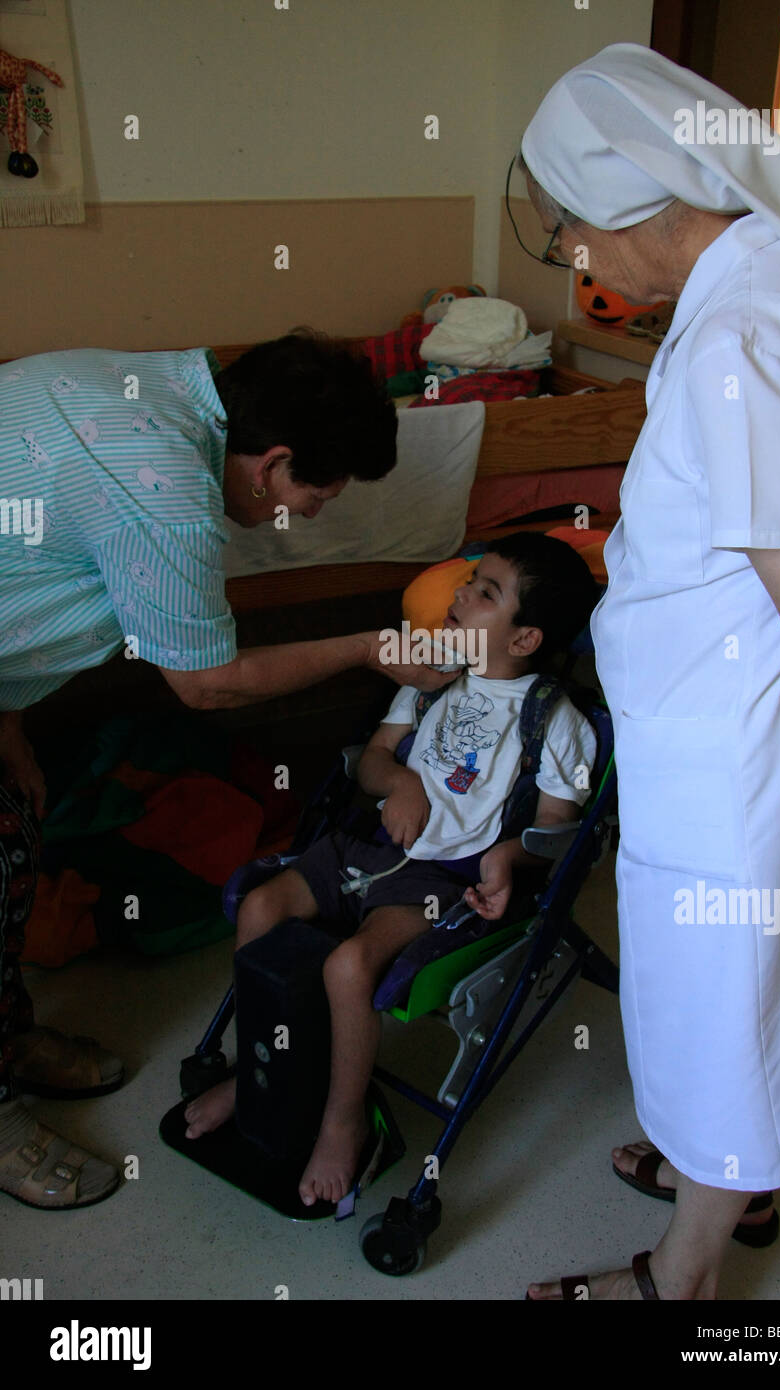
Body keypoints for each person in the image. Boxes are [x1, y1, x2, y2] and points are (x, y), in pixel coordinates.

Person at [513, 43, 780, 1301]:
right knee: (749, 983)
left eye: (572, 235)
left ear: (634, 204)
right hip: (721, 728)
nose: (578, 263)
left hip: (738, 751)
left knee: (727, 1003)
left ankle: (685, 1275)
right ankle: (731, 1177)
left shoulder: (747, 329)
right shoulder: (762, 280)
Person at [0, 330, 453, 1209]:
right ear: (272, 461)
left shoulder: (165, 381)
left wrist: (9, 721)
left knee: (17, 841)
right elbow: (206, 687)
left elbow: (24, 565)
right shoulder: (162, 492)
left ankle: (8, 1036)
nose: (316, 512)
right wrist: (368, 645)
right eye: (317, 492)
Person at [183, 532, 599, 1205]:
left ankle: (341, 1122)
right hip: (367, 845)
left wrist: (507, 855)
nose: (461, 594)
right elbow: (372, 759)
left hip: (441, 879)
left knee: (349, 965)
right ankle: (262, 1066)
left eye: (486, 592)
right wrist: (400, 784)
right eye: (471, 581)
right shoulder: (427, 674)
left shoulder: (556, 720)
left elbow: (556, 825)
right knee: (262, 908)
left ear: (524, 639)